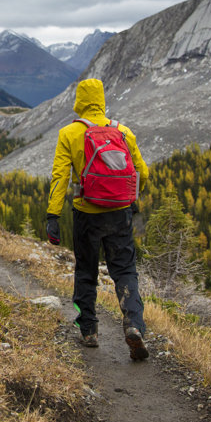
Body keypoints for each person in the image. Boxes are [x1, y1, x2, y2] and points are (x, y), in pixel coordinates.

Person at [45, 78, 150, 360]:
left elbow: (60, 178)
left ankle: (89, 331)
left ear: (79, 101)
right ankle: (133, 325)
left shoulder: (69, 133)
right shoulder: (123, 132)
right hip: (120, 213)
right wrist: (133, 200)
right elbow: (142, 172)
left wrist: (53, 215)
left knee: (86, 271)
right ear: (102, 100)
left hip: (87, 214)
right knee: (125, 270)